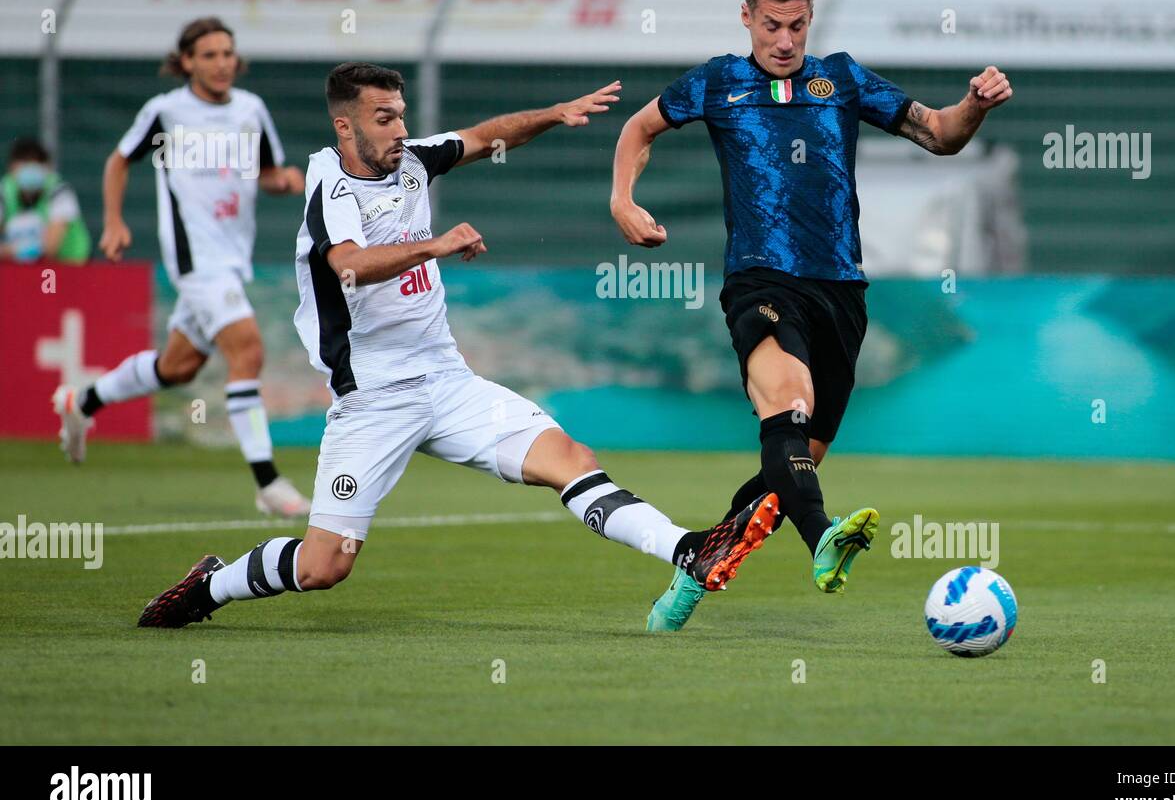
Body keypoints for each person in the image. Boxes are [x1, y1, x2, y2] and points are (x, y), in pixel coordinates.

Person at [135, 62, 778, 629]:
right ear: (345, 127)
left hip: (445, 380)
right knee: (323, 566)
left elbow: (488, 135)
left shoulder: (412, 159)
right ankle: (208, 587)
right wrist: (435, 244)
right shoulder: (329, 188)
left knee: (570, 457)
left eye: (401, 116)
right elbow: (350, 265)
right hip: (374, 397)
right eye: (382, 118)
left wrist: (554, 114)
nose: (397, 129)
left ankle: (688, 551)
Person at [612, 0, 1013, 630]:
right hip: (760, 279)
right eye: (771, 25)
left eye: (797, 25)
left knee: (788, 468)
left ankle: (695, 571)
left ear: (810, 19)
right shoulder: (717, 82)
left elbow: (940, 134)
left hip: (841, 295)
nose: (785, 41)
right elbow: (638, 128)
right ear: (747, 17)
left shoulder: (843, 79)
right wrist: (623, 201)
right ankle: (824, 537)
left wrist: (973, 103)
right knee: (788, 403)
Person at [52, 17, 311, 518]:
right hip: (196, 262)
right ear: (187, 61)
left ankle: (81, 403)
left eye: (227, 53)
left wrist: (287, 182)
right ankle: (267, 482)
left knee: (177, 367)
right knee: (248, 351)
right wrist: (112, 222)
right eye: (209, 55)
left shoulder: (251, 109)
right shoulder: (167, 111)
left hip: (233, 262)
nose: (221, 63)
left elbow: (267, 175)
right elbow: (118, 161)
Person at [0, 137, 91, 264]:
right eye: (24, 162)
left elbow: (50, 248)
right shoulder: (4, 192)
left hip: (69, 269)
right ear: (11, 167)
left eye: (36, 162)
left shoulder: (59, 191)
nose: (30, 168)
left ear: (47, 167)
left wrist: (10, 251)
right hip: (20, 272)